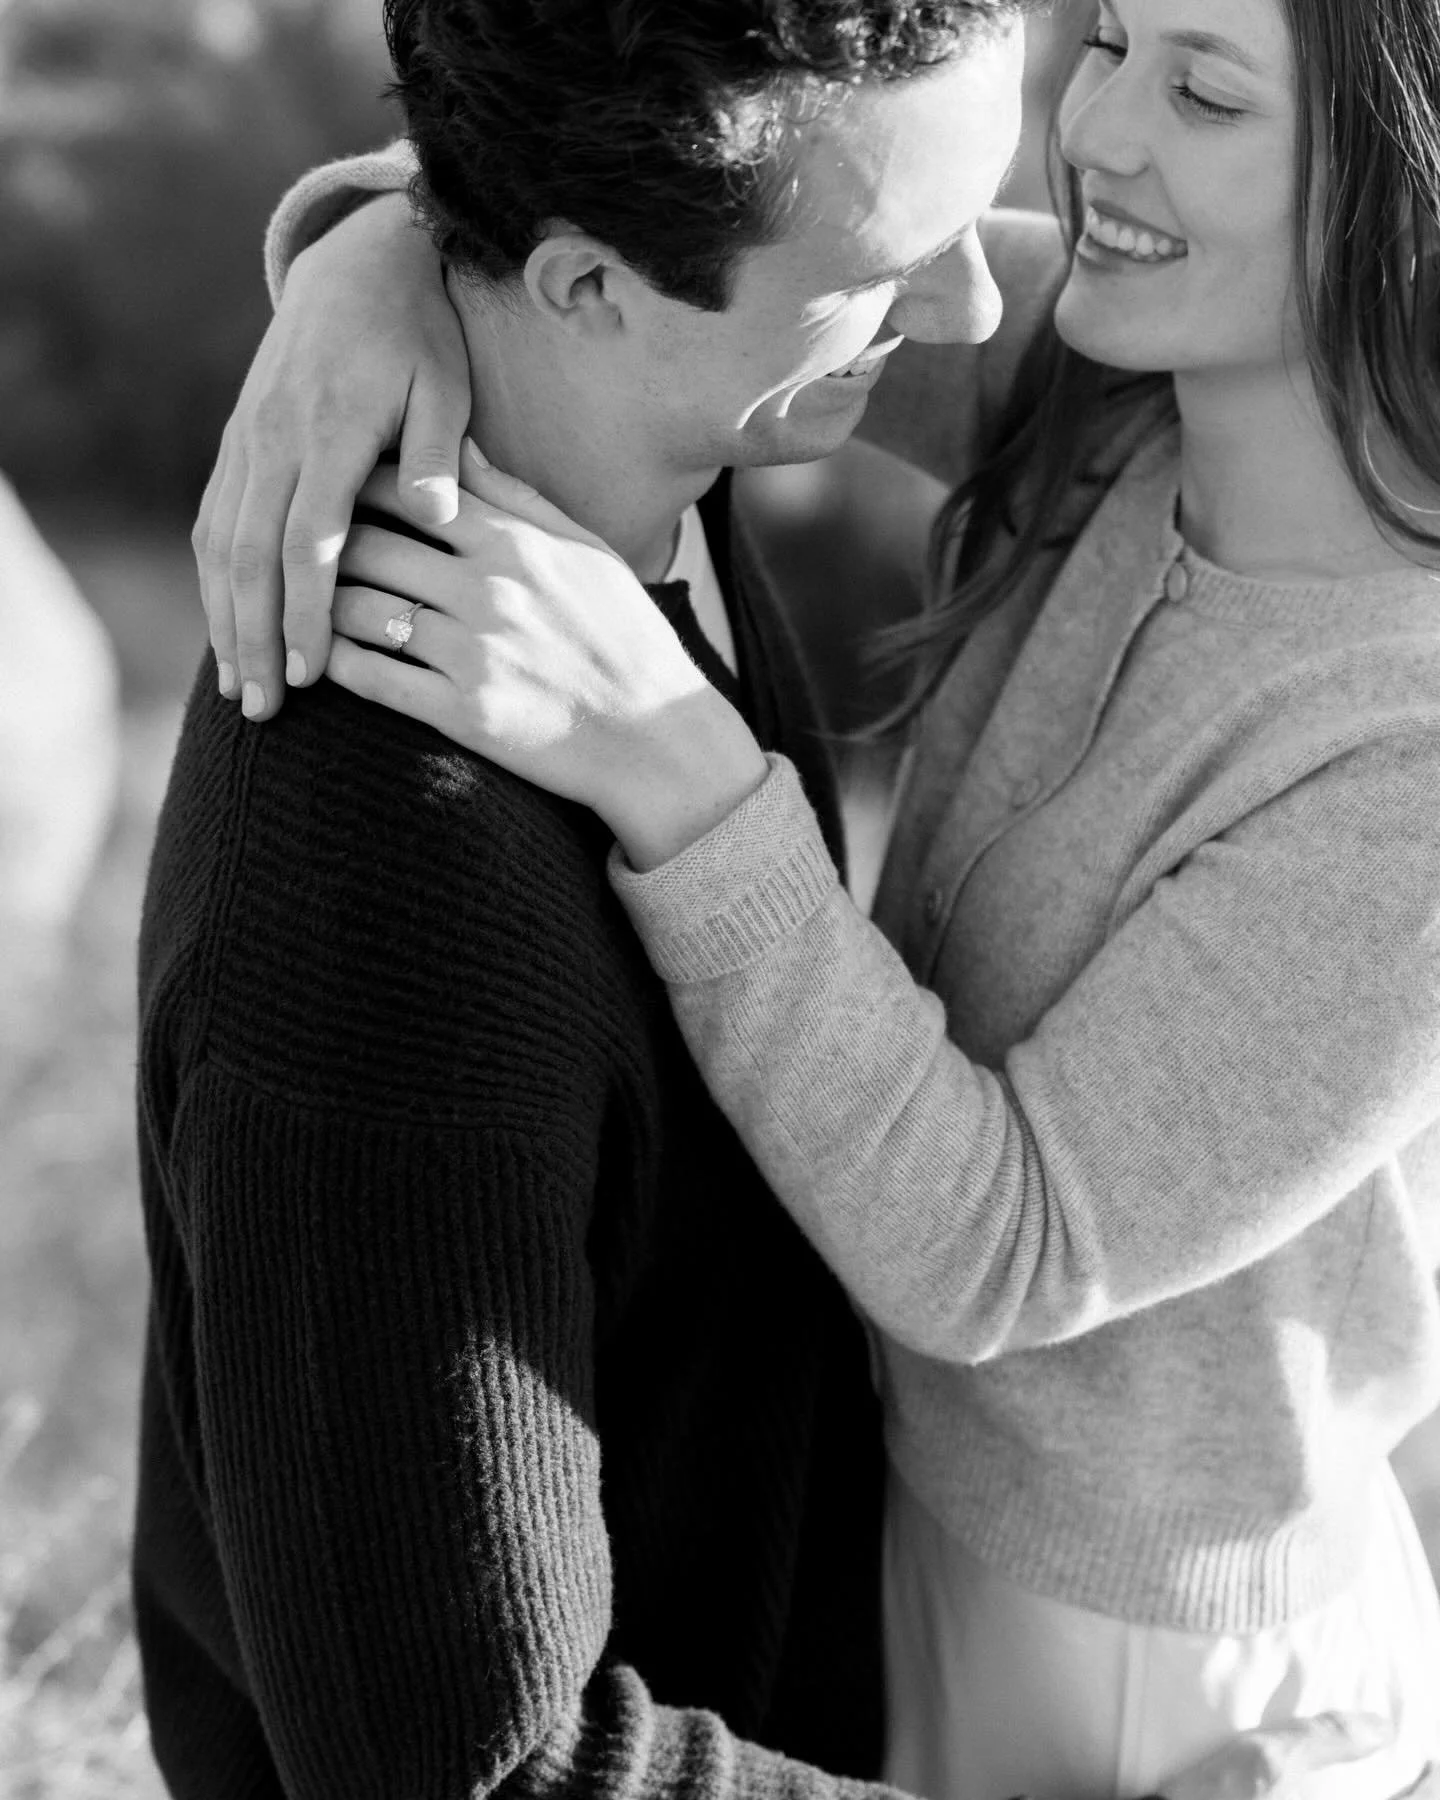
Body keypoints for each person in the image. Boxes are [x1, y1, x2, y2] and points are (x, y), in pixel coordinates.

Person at [196, 0, 1440, 1795]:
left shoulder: (1405, 760)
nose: (1096, 138)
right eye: (1111, 44)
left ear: (1401, 190)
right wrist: (367, 260)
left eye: (1206, 90)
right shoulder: (1119, 378)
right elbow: (682, 247)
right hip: (896, 1522)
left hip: (1142, 1661)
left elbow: (1001, 1249)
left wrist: (679, 766)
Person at [136, 4, 1051, 1798]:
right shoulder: (378, 899)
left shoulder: (655, 490)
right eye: (892, 263)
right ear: (584, 288)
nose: (974, 312)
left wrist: (380, 232)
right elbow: (469, 1770)